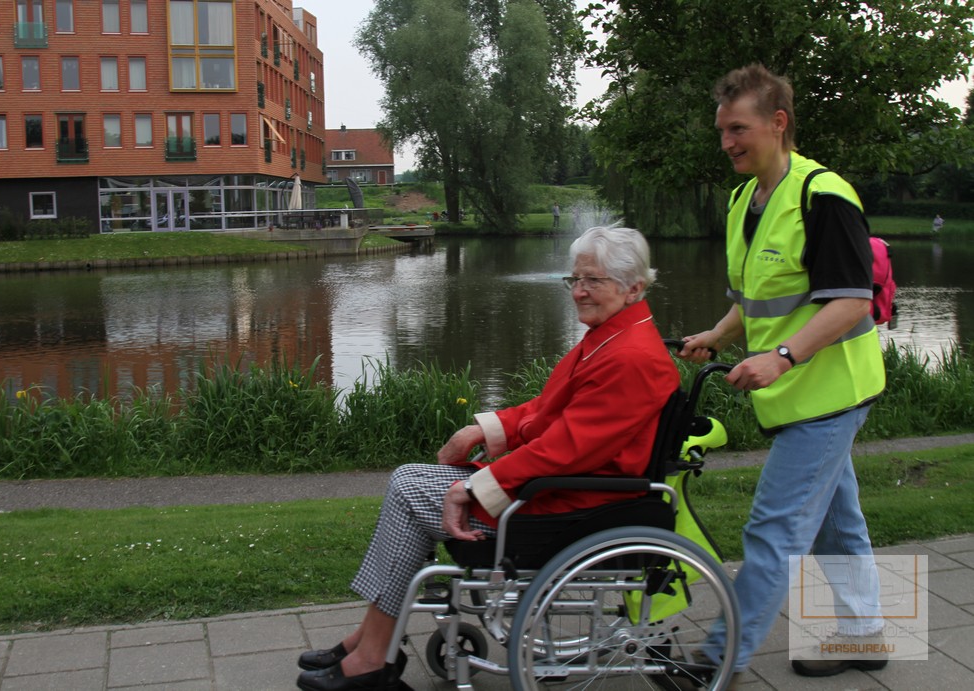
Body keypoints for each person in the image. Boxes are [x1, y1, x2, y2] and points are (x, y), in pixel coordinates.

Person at [296, 226, 681, 691]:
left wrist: (473, 486)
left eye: (592, 281)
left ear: (633, 288)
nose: (578, 291)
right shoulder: (614, 338)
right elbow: (548, 412)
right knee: (409, 483)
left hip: (570, 504)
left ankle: (371, 654)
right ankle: (371, 643)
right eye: (575, 279)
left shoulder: (630, 356)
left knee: (409, 489)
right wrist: (483, 429)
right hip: (564, 490)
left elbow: (566, 449)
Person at [679, 64, 887, 685]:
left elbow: (851, 301)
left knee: (774, 527)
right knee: (837, 523)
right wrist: (718, 334)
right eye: (722, 131)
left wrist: (782, 357)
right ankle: (865, 636)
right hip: (796, 395)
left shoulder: (823, 195)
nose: (727, 143)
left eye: (738, 129)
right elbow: (755, 300)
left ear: (777, 122)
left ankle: (722, 659)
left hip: (831, 393)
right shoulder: (743, 200)